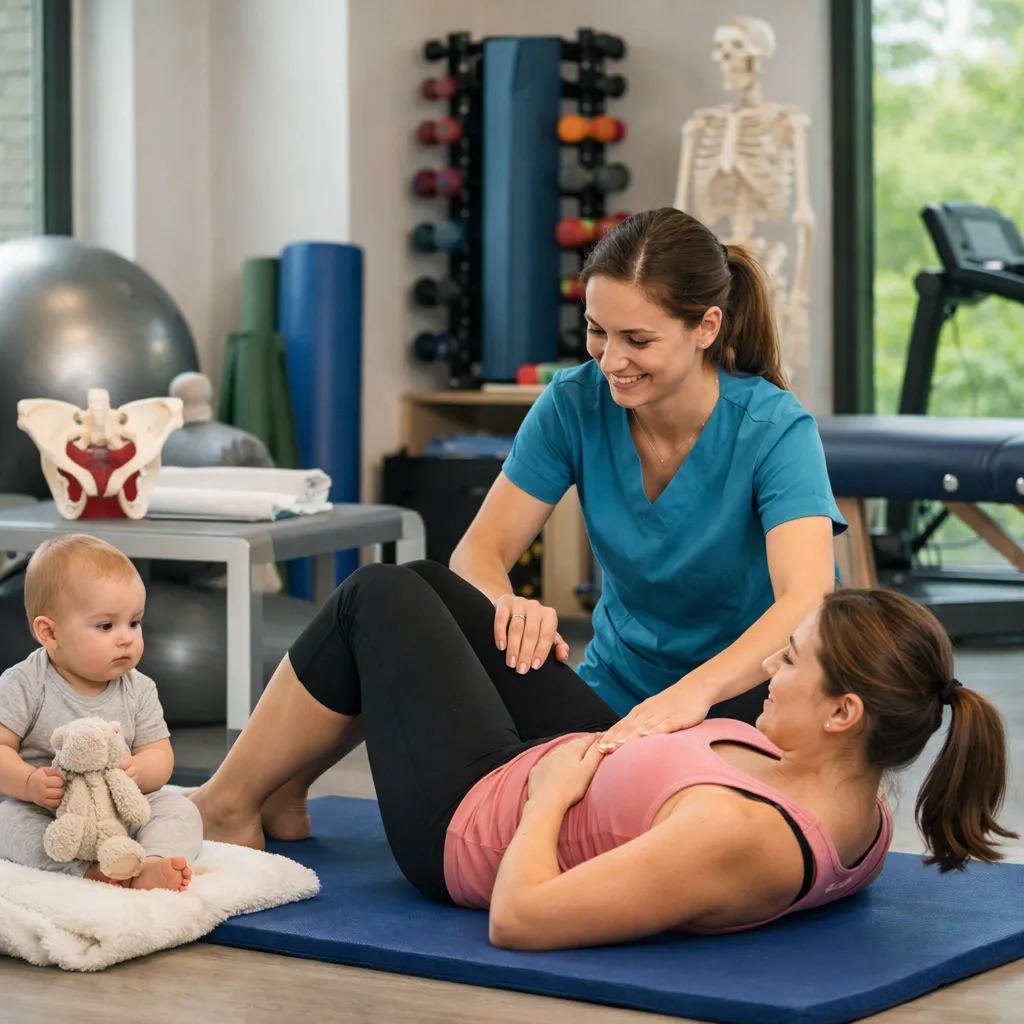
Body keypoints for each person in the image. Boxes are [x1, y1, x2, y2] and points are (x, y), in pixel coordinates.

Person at [192, 560, 1014, 950]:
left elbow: (520, 920)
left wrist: (549, 794)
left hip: (477, 819)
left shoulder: (741, 836)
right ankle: (284, 789)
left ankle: (230, 806)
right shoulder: (856, 797)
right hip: (576, 755)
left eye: (791, 660)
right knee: (439, 589)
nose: (770, 665)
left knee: (378, 598)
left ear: (844, 712)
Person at [450, 207, 844, 747]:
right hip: (619, 688)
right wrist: (505, 605)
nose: (611, 360)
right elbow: (478, 551)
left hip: (756, 697)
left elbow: (807, 598)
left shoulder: (775, 429)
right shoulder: (573, 402)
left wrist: (695, 693)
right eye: (596, 331)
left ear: (706, 327)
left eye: (637, 340)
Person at [0, 534, 202, 891]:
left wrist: (141, 772)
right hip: (52, 814)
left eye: (134, 623)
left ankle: (151, 862)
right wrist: (30, 785)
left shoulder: (139, 688)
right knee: (6, 820)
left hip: (121, 810)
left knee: (179, 807)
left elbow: (159, 751)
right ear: (49, 632)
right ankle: (87, 871)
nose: (126, 638)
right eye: (107, 626)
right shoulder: (25, 683)